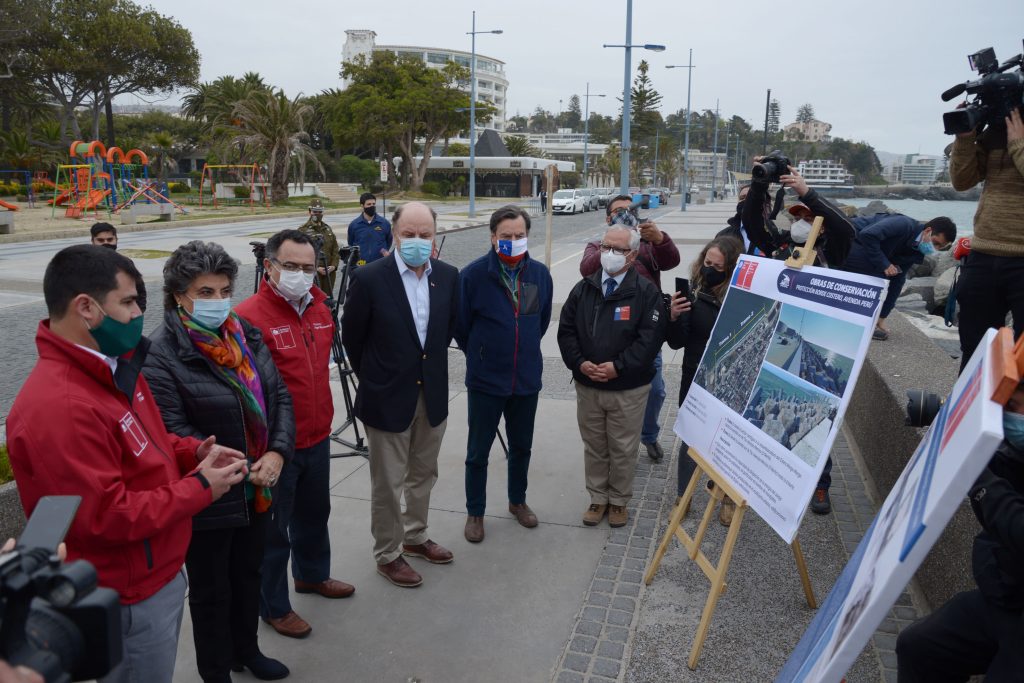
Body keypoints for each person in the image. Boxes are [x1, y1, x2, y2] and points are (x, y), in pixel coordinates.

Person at [7, 245, 247, 683]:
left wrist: (189, 451)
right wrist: (200, 487)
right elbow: (105, 517)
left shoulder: (109, 368)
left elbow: (143, 443)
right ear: (87, 308)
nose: (140, 313)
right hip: (128, 592)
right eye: (130, 301)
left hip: (156, 574)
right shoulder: (62, 405)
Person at [142, 240, 295, 683]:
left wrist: (276, 451)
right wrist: (242, 464)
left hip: (258, 486)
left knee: (250, 573)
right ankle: (215, 670)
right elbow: (173, 429)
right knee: (211, 591)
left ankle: (245, 650)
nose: (217, 301)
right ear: (178, 296)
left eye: (224, 290)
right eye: (204, 292)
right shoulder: (162, 353)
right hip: (210, 493)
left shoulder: (244, 333)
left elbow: (278, 396)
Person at [235, 229, 355, 640]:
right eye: (291, 267)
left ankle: (312, 575)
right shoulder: (249, 317)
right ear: (269, 267)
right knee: (273, 532)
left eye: (308, 268)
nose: (301, 275)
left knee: (314, 515)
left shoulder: (321, 309)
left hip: (317, 435)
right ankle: (274, 606)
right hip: (275, 448)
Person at [342, 201, 459, 588]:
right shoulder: (371, 278)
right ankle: (388, 553)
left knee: (423, 474)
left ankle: (415, 537)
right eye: (409, 234)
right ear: (394, 234)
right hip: (386, 397)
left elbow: (447, 335)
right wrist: (376, 379)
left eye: (425, 235)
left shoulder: (447, 276)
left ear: (435, 237)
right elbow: (352, 339)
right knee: (388, 483)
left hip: (433, 396)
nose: (417, 242)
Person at [895, 379, 1024, 681]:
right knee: (919, 647)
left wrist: (975, 473)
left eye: (1015, 408)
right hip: (1008, 596)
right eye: (1004, 408)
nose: (1009, 417)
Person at [455, 205, 553, 543]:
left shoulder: (539, 274)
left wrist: (520, 349)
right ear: (493, 237)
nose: (513, 241)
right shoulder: (472, 275)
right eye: (506, 236)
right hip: (486, 380)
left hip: (526, 379)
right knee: (477, 452)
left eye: (519, 236)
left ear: (527, 236)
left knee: (521, 446)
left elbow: (538, 323)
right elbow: (462, 327)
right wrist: (483, 353)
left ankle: (517, 501)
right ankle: (475, 512)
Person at [558, 226, 667, 528]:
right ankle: (597, 497)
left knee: (622, 447)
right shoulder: (585, 288)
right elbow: (566, 331)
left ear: (632, 256)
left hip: (627, 388)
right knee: (595, 445)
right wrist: (580, 364)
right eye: (606, 247)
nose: (610, 254)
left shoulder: (645, 292)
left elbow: (650, 340)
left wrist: (618, 366)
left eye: (618, 250)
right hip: (588, 385)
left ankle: (618, 501)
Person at [579, 194, 680, 462]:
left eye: (628, 210)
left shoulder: (647, 245)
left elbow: (672, 260)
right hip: (609, 334)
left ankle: (648, 435)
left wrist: (657, 239)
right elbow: (587, 268)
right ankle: (617, 444)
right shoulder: (598, 245)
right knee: (615, 394)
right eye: (617, 211)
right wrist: (614, 247)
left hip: (646, 334)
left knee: (656, 390)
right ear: (607, 217)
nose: (624, 214)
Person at [665, 237, 742, 524]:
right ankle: (682, 497)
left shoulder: (741, 296)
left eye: (717, 266)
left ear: (731, 268)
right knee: (690, 439)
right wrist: (674, 317)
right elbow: (676, 342)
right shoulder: (692, 290)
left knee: (727, 440)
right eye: (707, 263)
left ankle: (726, 494)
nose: (709, 269)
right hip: (695, 376)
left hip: (731, 378)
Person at [949, 107, 1024, 372]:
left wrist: (1017, 144)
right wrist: (965, 139)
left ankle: (1013, 411)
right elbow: (962, 181)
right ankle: (968, 408)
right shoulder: (996, 133)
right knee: (974, 345)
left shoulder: (1015, 137)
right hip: (984, 251)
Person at [840, 215, 956, 341]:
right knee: (878, 276)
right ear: (928, 231)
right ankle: (860, 322)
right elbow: (867, 235)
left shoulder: (916, 249)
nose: (935, 249)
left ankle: (871, 321)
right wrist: (884, 264)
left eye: (941, 247)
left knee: (889, 277)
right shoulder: (903, 224)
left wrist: (883, 316)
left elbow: (898, 280)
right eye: (935, 243)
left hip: (868, 246)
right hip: (847, 238)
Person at [90, 222, 147, 311]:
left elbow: (140, 290)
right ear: (93, 241)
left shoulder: (126, 263)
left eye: (110, 239)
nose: (106, 243)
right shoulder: (85, 265)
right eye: (100, 240)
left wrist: (138, 312)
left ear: (116, 239)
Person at [298, 198, 340, 296]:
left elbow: (335, 250)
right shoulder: (302, 230)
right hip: (312, 273)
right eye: (315, 211)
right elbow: (299, 254)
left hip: (329, 273)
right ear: (309, 212)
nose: (317, 214)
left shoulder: (327, 229)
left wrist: (334, 266)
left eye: (320, 212)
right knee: (314, 301)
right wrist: (315, 268)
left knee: (327, 300)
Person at [347, 192, 393, 267]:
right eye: (369, 204)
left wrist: (383, 251)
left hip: (379, 264)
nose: (372, 206)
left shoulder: (384, 223)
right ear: (362, 206)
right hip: (361, 265)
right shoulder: (354, 225)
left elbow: (389, 241)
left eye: (373, 204)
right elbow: (351, 243)